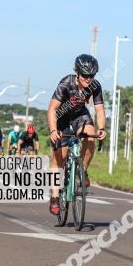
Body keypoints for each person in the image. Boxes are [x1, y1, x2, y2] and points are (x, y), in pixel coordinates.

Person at [46, 54, 107, 215]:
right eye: (85, 75)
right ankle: (54, 196)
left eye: (92, 75)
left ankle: (83, 170)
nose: (88, 79)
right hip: (62, 117)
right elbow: (52, 109)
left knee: (90, 135)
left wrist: (102, 128)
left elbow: (100, 110)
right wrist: (53, 131)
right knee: (60, 156)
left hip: (80, 115)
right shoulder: (66, 83)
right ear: (77, 73)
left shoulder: (95, 86)